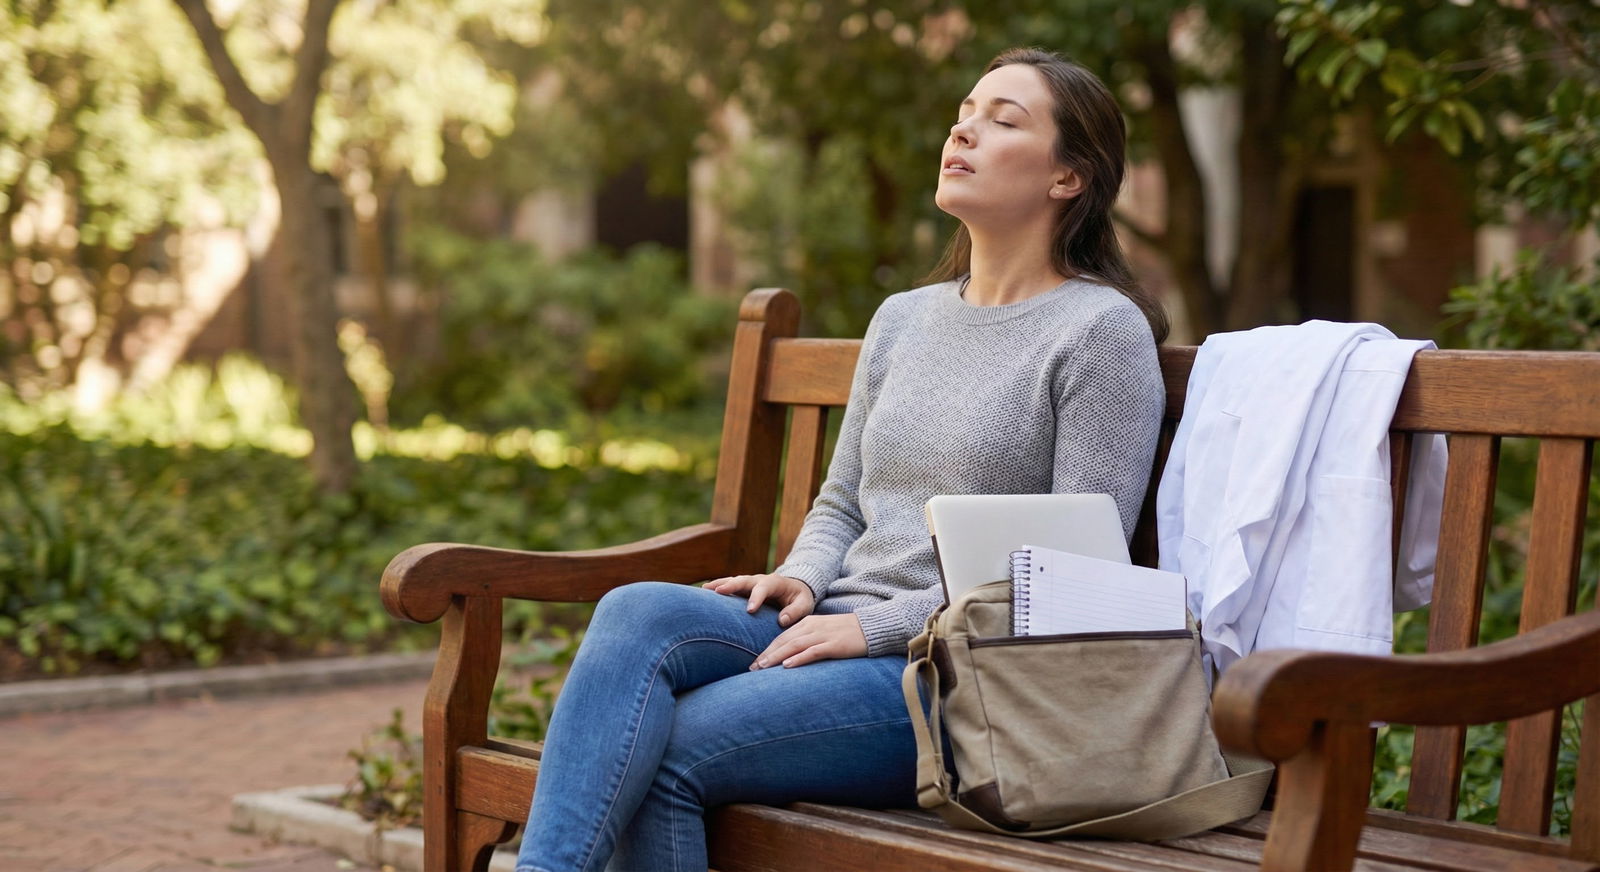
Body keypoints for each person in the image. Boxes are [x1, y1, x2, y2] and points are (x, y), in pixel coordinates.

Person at [514, 46, 1169, 872]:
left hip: (964, 680)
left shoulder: (1098, 333)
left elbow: (1075, 574)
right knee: (637, 611)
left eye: (1003, 121)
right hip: (838, 621)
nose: (964, 130)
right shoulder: (904, 318)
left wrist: (874, 628)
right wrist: (803, 577)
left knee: (666, 748)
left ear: (1068, 177)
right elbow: (841, 502)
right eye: (965, 112)